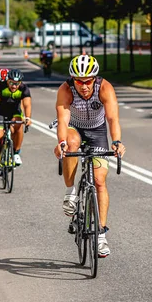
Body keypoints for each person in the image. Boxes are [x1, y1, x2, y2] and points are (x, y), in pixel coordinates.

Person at [53, 54, 126, 258]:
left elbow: (112, 119)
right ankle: (71, 192)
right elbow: (62, 120)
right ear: (72, 80)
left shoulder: (104, 88)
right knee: (71, 144)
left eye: (88, 81)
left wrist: (117, 141)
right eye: (79, 81)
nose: (84, 86)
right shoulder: (65, 90)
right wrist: (62, 143)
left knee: (100, 181)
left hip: (97, 131)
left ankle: (101, 235)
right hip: (74, 128)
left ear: (94, 78)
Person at [0, 69, 31, 176]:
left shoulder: (24, 89)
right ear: (7, 81)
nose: (14, 86)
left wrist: (28, 118)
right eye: (11, 83)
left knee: (19, 125)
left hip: (14, 113)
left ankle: (16, 153)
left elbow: (27, 105)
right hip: (0, 113)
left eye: (17, 83)